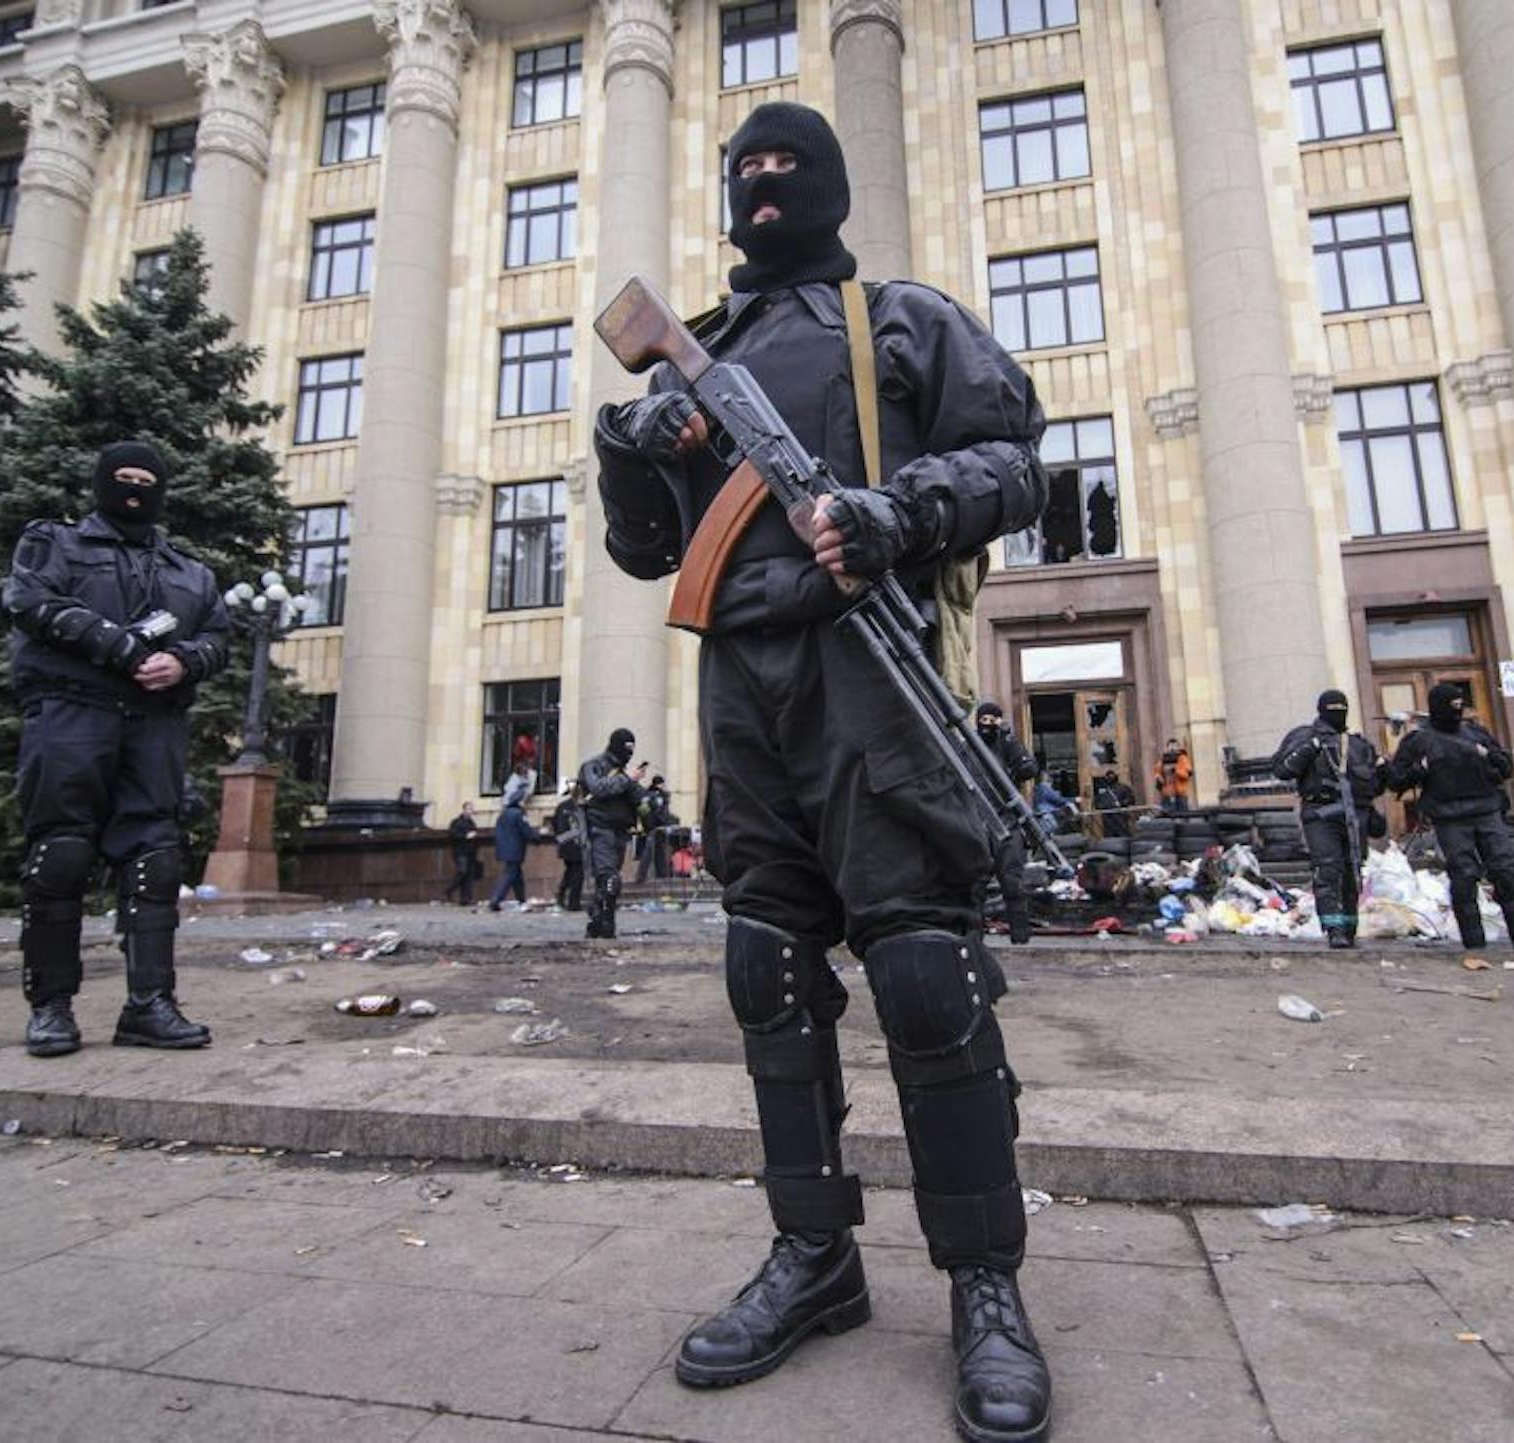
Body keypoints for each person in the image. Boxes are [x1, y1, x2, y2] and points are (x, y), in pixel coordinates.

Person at [593, 101, 1053, 1443]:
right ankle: (815, 1255)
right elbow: (644, 551)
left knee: (924, 970)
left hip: (871, 669)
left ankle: (983, 1282)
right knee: (767, 968)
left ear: (834, 188)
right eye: (746, 168)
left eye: (791, 165)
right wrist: (629, 453)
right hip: (742, 681)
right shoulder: (693, 353)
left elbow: (1015, 461)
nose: (766, 183)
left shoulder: (899, 321)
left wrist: (896, 511)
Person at [5, 440, 228, 1057]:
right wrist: (118, 646)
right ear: (103, 482)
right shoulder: (56, 543)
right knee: (61, 853)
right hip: (71, 711)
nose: (134, 490)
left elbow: (217, 635)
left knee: (156, 858)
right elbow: (30, 601)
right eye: (124, 478)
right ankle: (51, 1007)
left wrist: (184, 662)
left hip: (154, 722)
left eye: (146, 481)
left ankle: (149, 1005)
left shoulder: (189, 571)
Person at [1384, 683, 1514, 951]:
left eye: (1459, 706)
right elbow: (1396, 780)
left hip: (1487, 810)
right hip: (1450, 816)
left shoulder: (1476, 733)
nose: (1457, 711)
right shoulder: (1419, 740)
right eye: (1451, 706)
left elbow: (1505, 767)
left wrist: (1490, 756)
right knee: (1464, 876)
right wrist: (1420, 770)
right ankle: (1473, 942)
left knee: (1505, 872)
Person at [1273, 689, 1382, 949]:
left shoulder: (1358, 745)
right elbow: (1282, 770)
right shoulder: (1305, 737)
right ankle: (1334, 928)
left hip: (1353, 815)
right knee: (1327, 869)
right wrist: (1310, 749)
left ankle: (1349, 926)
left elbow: (1373, 785)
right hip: (1320, 813)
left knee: (1352, 870)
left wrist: (1383, 773)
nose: (1338, 713)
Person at [974, 700, 1039, 945]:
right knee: (974, 885)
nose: (987, 725)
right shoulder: (968, 746)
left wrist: (1008, 738)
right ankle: (974, 939)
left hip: (1006, 822)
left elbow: (1028, 768)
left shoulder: (1006, 745)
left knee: (1013, 883)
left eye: (993, 720)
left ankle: (1020, 939)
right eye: (984, 720)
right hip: (976, 821)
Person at [577, 728, 646, 939]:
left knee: (607, 882)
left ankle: (596, 922)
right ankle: (607, 926)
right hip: (600, 829)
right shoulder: (594, 765)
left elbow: (638, 799)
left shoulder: (623, 773)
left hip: (620, 831)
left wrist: (646, 797)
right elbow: (598, 788)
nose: (629, 753)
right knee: (609, 879)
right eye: (626, 748)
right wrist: (628, 779)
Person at [489, 790, 546, 911]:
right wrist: (537, 837)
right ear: (520, 802)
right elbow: (525, 830)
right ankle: (495, 899)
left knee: (517, 875)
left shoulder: (503, 814)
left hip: (503, 849)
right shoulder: (519, 814)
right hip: (515, 849)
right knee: (509, 874)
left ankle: (521, 900)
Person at [550, 780, 585, 911]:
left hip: (564, 844)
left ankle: (561, 895)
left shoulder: (562, 806)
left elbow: (554, 823)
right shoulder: (581, 807)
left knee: (570, 872)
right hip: (576, 844)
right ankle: (573, 902)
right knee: (577, 874)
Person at [445, 801, 481, 906]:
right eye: (469, 809)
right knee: (462, 871)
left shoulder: (471, 822)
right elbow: (453, 834)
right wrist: (466, 836)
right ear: (464, 810)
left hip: (470, 852)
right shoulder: (456, 822)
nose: (471, 811)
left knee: (468, 876)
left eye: (472, 809)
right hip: (460, 851)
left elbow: (474, 834)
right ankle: (449, 890)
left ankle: (465, 898)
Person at [1091, 768, 1137, 838]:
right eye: (1108, 777)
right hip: (1108, 818)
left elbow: (1131, 799)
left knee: (1123, 835)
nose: (1110, 778)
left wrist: (1121, 803)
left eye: (1111, 776)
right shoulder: (1102, 790)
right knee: (1110, 836)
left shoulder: (1123, 788)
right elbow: (1097, 803)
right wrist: (1106, 806)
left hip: (1121, 816)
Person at [1154, 738, 1194, 814]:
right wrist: (1158, 777)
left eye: (1174, 746)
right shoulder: (1163, 759)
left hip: (1180, 794)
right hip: (1167, 794)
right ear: (1167, 747)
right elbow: (1157, 771)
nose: (1172, 748)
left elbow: (1187, 775)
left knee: (1182, 815)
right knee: (1166, 815)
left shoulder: (1183, 759)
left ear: (1178, 747)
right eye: (1170, 746)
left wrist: (1175, 770)